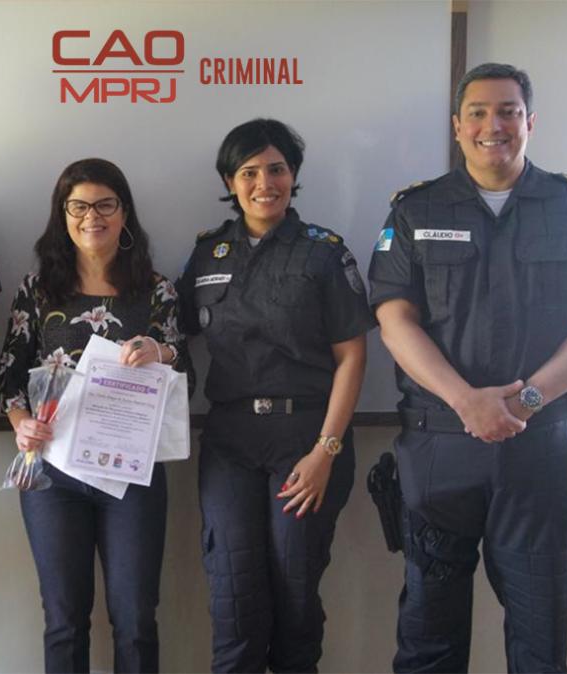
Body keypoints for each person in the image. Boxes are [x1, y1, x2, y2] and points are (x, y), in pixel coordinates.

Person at [368, 62, 567, 673]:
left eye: (508, 112)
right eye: (478, 113)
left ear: (530, 122)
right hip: (440, 448)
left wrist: (527, 401)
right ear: (457, 126)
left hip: (537, 446)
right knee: (428, 642)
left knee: (540, 641)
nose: (493, 125)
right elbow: (394, 319)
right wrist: (466, 400)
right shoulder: (415, 210)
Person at [176, 118, 374, 673]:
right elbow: (172, 333)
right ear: (230, 181)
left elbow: (352, 357)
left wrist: (325, 451)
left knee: (294, 595)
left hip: (305, 440)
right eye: (249, 172)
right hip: (230, 443)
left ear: (293, 175)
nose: (265, 183)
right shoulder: (208, 253)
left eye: (277, 169)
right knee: (234, 597)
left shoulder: (324, 253)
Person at [0, 158, 189, 674]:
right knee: (64, 619)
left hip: (132, 472)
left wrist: (158, 351)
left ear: (124, 214)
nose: (91, 217)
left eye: (104, 205)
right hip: (52, 473)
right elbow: (8, 378)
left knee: (136, 618)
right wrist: (21, 425)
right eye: (77, 207)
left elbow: (184, 363)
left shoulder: (156, 290)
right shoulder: (38, 289)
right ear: (62, 215)